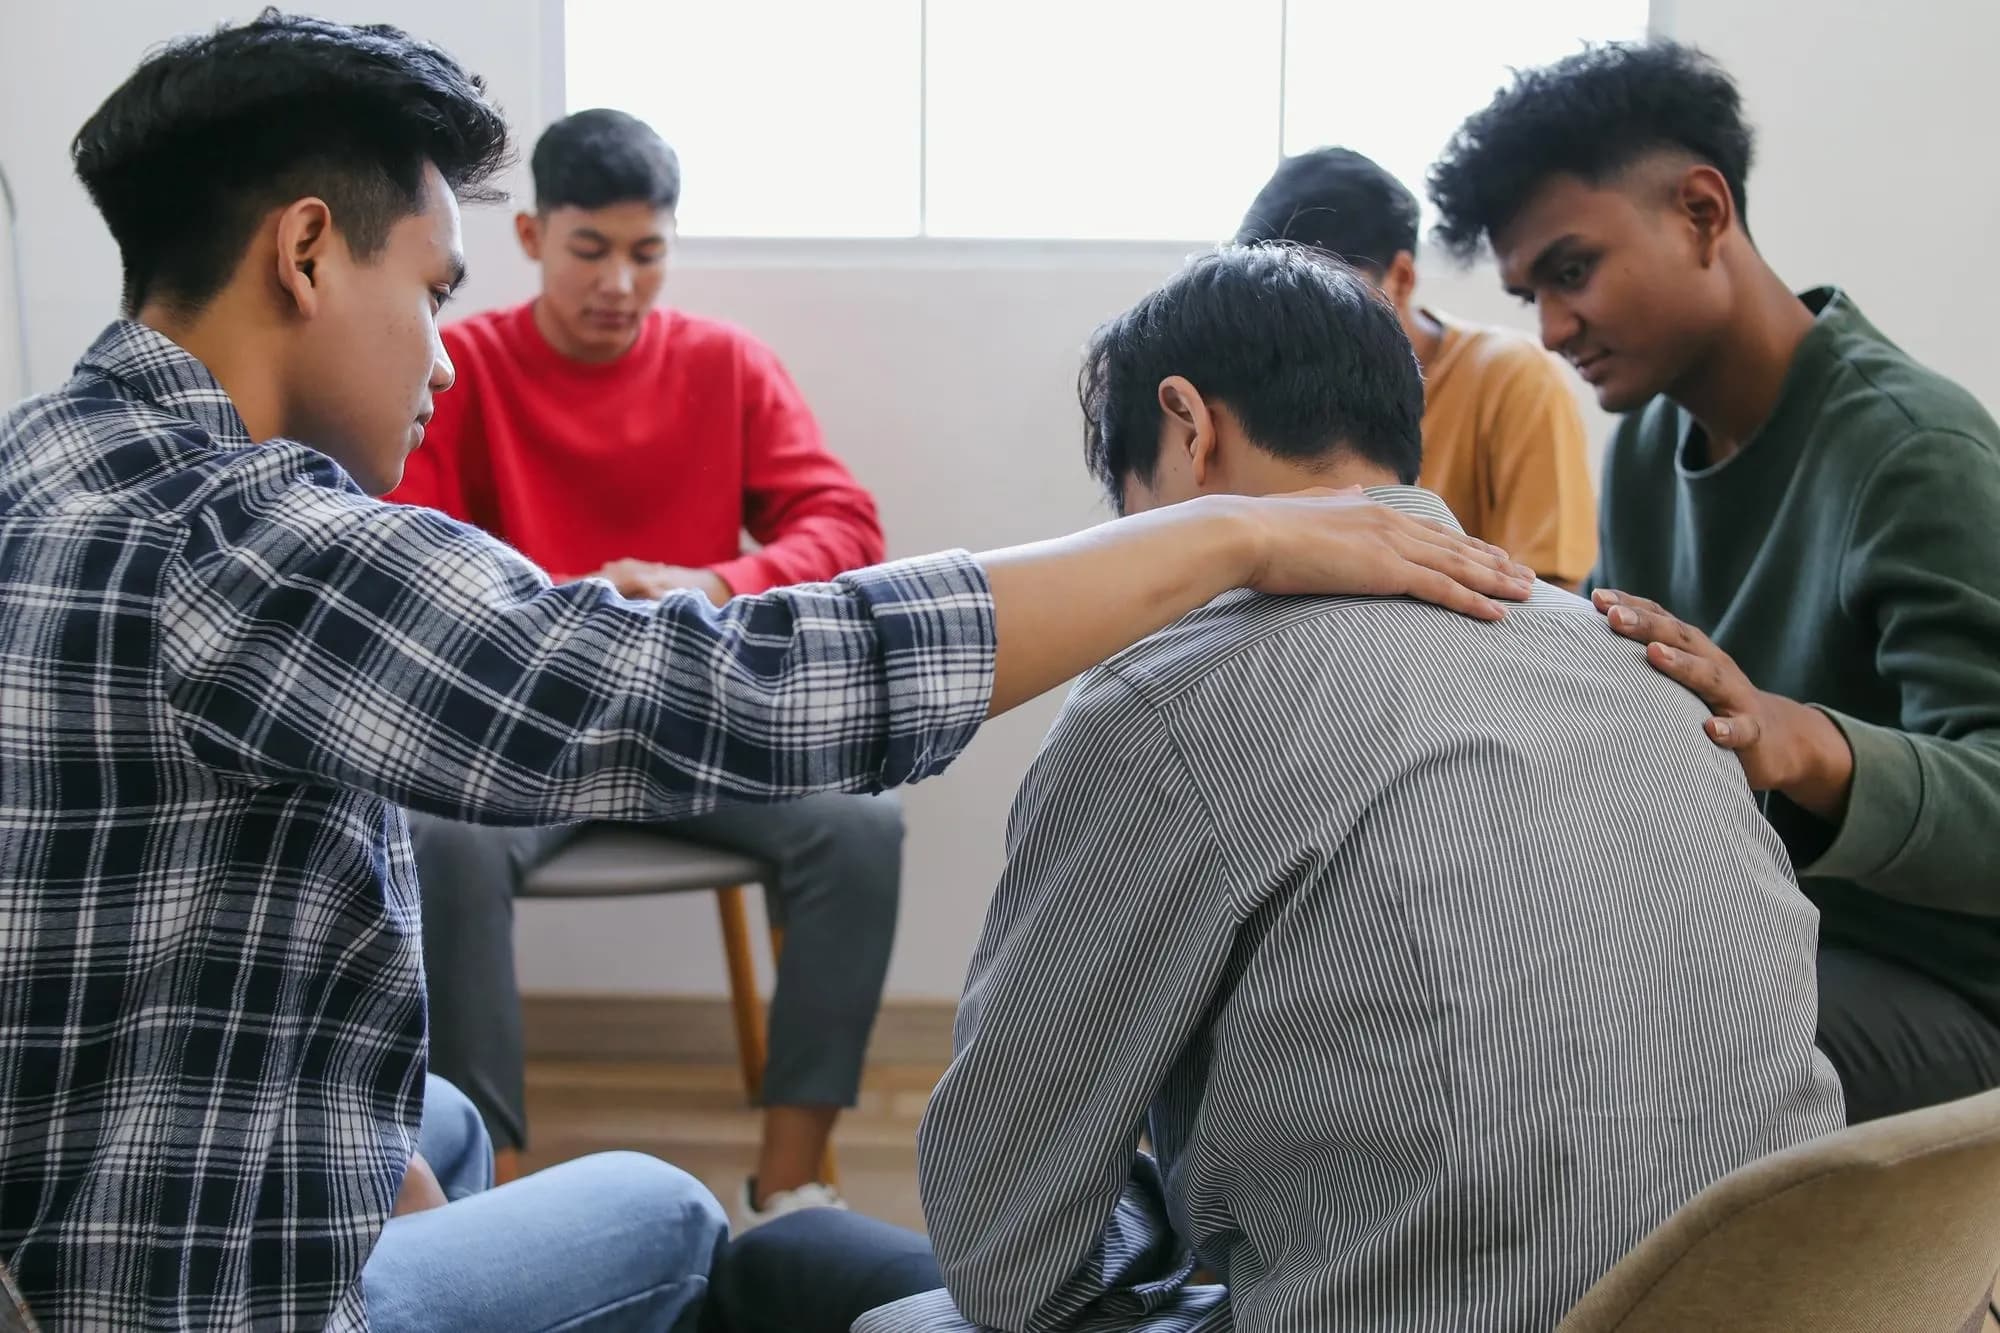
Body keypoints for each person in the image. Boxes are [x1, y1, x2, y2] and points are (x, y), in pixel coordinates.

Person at [0, 12, 1532, 1332]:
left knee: (441, 1125)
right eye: (437, 288)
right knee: (661, 1217)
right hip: (182, 1290)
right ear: (308, 253)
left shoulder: (47, 468)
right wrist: (1227, 540)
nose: (445, 353)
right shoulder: (248, 540)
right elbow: (714, 687)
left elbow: (801, 549)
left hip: (66, 1177)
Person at [718, 246, 1843, 1333]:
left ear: (1188, 427)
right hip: (1782, 1299)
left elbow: (1004, 1252)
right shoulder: (1646, 663)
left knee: (790, 1262)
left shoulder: (1164, 699)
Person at [1427, 40, 2000, 1124]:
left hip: (1951, 995)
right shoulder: (1647, 448)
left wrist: (1804, 744)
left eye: (1569, 270)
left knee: (1601, 1045)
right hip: (1766, 934)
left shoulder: (1910, 450)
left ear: (1699, 211)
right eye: (1526, 293)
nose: (1549, 331)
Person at [388, 108, 898, 1224]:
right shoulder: (458, 366)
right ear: (528, 235)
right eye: (590, 250)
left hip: (695, 726)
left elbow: (844, 526)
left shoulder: (725, 364)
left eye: (646, 252)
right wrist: (551, 610)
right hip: (526, 744)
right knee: (438, 840)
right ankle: (490, 1189)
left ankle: (790, 1179)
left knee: (859, 829)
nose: (619, 281)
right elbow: (404, 541)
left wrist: (712, 583)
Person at [1236, 146, 1597, 588]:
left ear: (1401, 279)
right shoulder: (1270, 389)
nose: (1300, 326)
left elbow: (1548, 593)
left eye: (1328, 295)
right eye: (1277, 306)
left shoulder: (1512, 378)